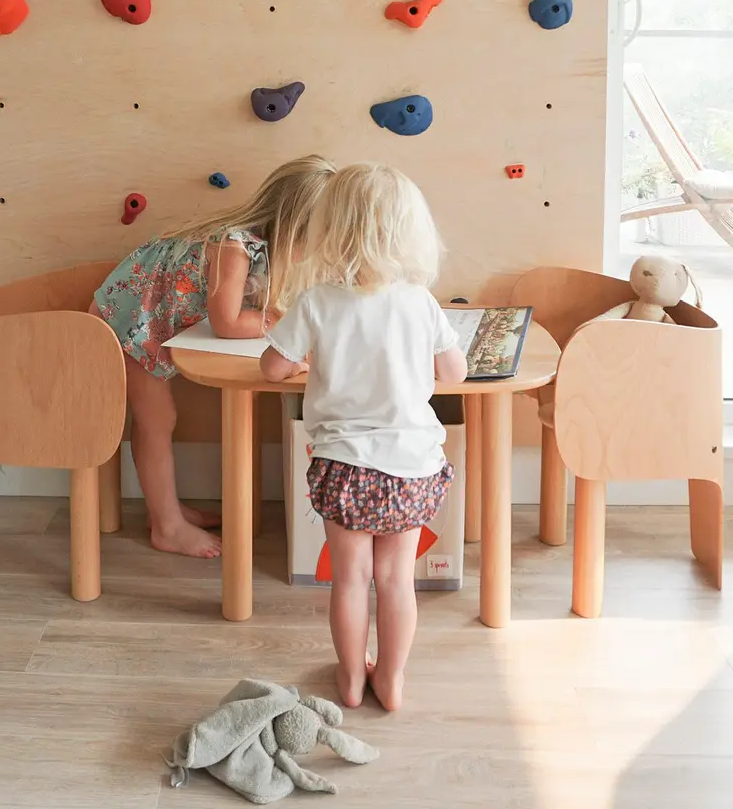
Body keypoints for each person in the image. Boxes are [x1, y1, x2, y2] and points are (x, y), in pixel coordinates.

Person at [260, 163, 467, 711]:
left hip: (343, 467)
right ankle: (391, 680)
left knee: (350, 580)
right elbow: (455, 372)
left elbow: (271, 369)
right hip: (411, 467)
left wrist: (303, 359)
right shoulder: (420, 301)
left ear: (330, 229)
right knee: (397, 581)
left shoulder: (316, 301)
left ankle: (352, 679)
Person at [92, 155, 336, 559]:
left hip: (149, 320)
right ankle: (166, 525)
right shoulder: (234, 246)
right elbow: (227, 322)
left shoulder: (258, 247)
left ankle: (168, 508)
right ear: (293, 225)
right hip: (126, 321)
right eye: (316, 237)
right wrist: (282, 321)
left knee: (161, 418)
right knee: (157, 418)